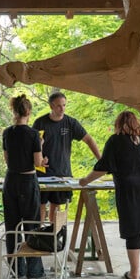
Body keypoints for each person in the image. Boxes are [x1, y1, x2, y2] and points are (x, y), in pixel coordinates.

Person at [79, 111, 140, 279]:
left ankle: (134, 273)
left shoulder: (115, 140)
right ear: (136, 124)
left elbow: (103, 167)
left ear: (119, 124)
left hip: (127, 190)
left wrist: (85, 180)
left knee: (133, 230)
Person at [33, 91, 101, 222]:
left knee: (57, 206)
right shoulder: (40, 122)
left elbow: (89, 140)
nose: (62, 108)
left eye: (64, 105)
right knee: (40, 205)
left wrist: (101, 159)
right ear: (51, 106)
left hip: (62, 172)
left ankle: (54, 238)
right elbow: (33, 146)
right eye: (59, 106)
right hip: (42, 172)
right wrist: (39, 159)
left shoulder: (71, 123)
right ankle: (37, 237)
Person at [3, 94, 48, 279]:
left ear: (14, 111)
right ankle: (34, 272)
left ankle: (16, 269)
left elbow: (7, 159)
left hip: (11, 180)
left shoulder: (7, 133)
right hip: (28, 181)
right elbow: (38, 162)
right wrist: (42, 152)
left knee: (12, 226)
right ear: (28, 111)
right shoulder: (33, 134)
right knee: (31, 226)